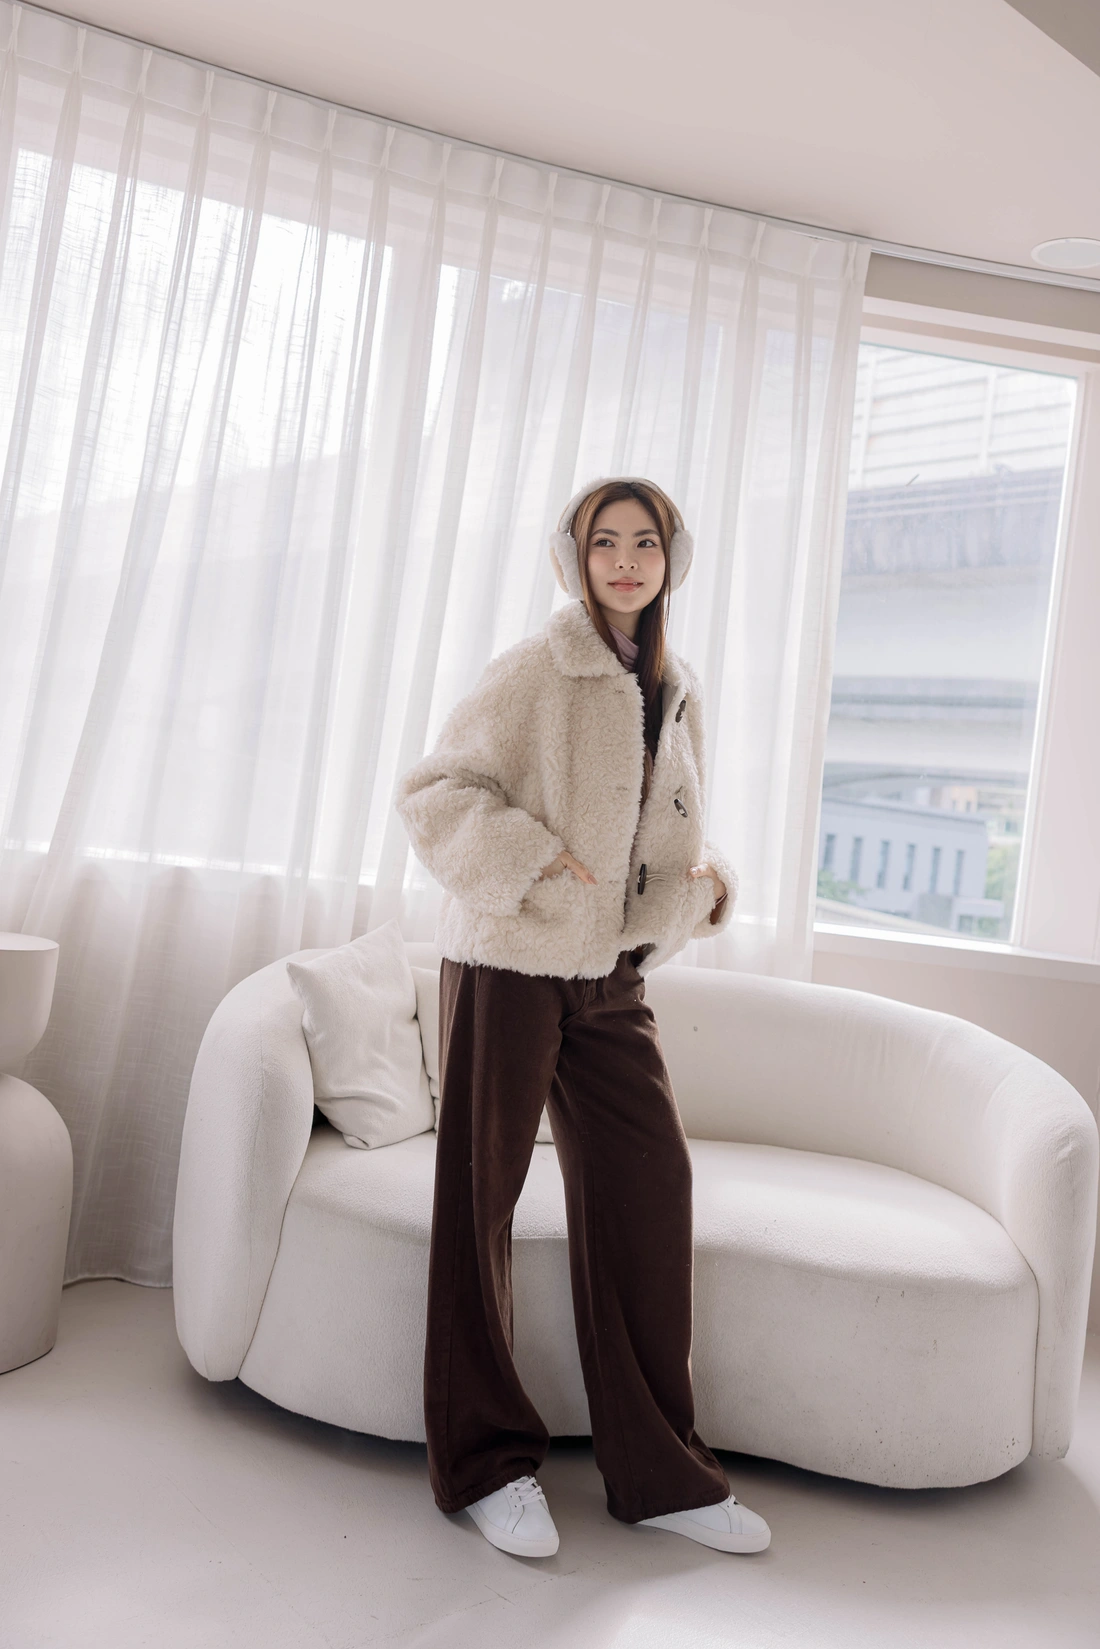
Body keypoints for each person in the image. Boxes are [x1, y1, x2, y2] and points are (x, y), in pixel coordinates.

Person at [394, 477, 770, 1559]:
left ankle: (660, 1475)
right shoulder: (534, 668)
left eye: (644, 541)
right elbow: (434, 791)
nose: (624, 559)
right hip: (508, 959)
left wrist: (706, 882)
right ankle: (484, 1466)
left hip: (609, 975)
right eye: (604, 541)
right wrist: (534, 858)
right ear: (575, 557)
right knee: (480, 1202)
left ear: (670, 560)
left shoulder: (676, 687)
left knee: (650, 1186)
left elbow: (665, 830)